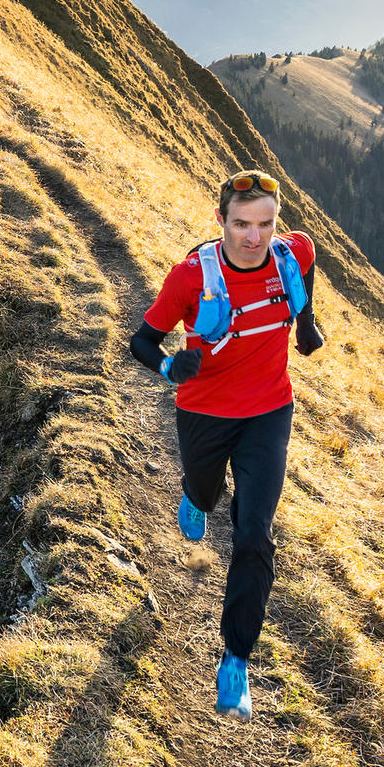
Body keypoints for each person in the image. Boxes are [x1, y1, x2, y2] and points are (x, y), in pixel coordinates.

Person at [128, 170, 323, 717]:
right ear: (221, 221)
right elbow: (141, 340)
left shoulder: (291, 254)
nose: (254, 237)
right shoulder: (191, 278)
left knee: (255, 533)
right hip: (204, 414)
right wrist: (169, 364)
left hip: (269, 411)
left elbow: (310, 260)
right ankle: (194, 495)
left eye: (265, 224)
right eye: (241, 224)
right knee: (206, 493)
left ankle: (235, 659)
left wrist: (307, 323)